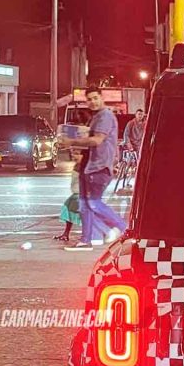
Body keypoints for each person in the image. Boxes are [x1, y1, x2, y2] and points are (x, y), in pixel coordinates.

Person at [59, 87, 127, 251]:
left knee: (93, 203)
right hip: (87, 166)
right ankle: (85, 240)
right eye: (89, 99)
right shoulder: (95, 117)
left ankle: (124, 228)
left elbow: (97, 140)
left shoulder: (105, 116)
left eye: (95, 98)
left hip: (99, 166)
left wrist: (71, 142)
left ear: (102, 98)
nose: (93, 102)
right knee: (84, 205)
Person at [53, 150, 84, 242]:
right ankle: (66, 234)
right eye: (72, 153)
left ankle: (89, 234)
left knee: (83, 214)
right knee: (68, 210)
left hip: (80, 194)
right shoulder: (78, 165)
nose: (74, 156)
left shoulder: (85, 167)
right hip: (76, 193)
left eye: (77, 154)